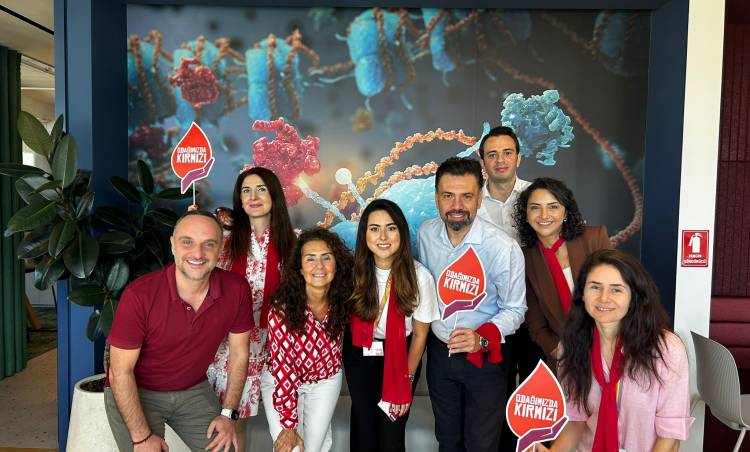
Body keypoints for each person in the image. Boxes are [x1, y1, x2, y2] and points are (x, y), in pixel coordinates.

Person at [105, 210, 252, 452]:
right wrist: (141, 438)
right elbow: (120, 372)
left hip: (192, 389)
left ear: (220, 249)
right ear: (172, 245)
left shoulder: (237, 289)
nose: (198, 253)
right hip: (136, 391)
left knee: (226, 449)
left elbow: (239, 354)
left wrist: (228, 414)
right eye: (187, 242)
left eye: (209, 244)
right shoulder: (139, 295)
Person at [417, 156, 527, 452]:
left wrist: (482, 337)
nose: (457, 205)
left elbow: (516, 309)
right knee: (447, 440)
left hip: (485, 358)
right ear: (437, 198)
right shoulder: (425, 234)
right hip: (440, 355)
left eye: (466, 196)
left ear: (479, 199)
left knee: (481, 443)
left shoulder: (502, 247)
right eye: (448, 196)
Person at [536, 249, 693, 451]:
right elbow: (576, 420)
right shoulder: (571, 345)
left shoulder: (666, 349)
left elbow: (670, 435)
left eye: (616, 290)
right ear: (582, 295)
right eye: (595, 287)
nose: (603, 298)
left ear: (634, 297)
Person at [206, 166, 296, 452]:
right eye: (246, 191)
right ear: (239, 200)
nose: (253, 197)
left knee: (244, 423)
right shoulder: (224, 242)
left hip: (275, 345)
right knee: (226, 423)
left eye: (261, 189)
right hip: (229, 344)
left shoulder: (293, 241)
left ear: (274, 195)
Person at [344, 199, 439, 452]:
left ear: (402, 233)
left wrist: (406, 378)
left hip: (400, 357)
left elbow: (420, 336)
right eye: (374, 229)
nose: (383, 237)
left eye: (391, 228)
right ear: (364, 234)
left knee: (391, 431)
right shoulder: (352, 272)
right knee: (363, 426)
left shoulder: (420, 276)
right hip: (360, 353)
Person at [475, 126, 544, 451]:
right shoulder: (471, 201)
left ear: (519, 157)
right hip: (489, 315)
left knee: (533, 394)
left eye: (507, 153)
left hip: (536, 313)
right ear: (483, 161)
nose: (500, 160)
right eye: (492, 154)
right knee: (495, 394)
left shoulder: (538, 198)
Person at [261, 228, 354, 452]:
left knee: (313, 448)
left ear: (337, 264)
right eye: (310, 258)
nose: (319, 266)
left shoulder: (344, 298)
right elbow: (284, 369)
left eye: (326, 258)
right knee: (291, 449)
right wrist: (289, 425)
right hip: (281, 381)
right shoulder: (282, 308)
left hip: (325, 381)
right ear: (300, 268)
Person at [512, 178, 612, 365]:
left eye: (553, 207)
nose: (544, 215)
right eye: (535, 208)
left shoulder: (594, 238)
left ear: (565, 212)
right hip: (565, 357)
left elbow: (620, 291)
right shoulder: (524, 258)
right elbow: (534, 319)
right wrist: (555, 348)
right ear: (526, 214)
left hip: (611, 345)